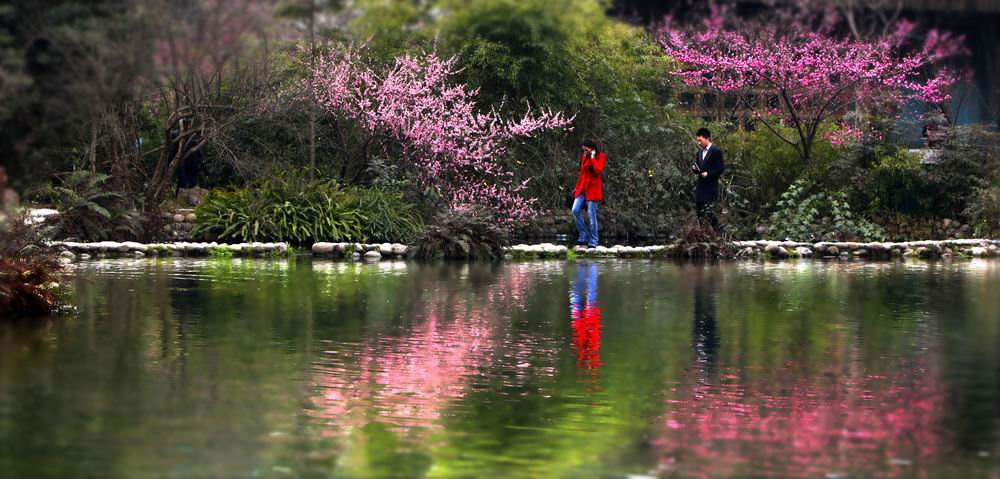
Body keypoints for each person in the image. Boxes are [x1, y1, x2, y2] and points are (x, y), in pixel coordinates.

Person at [571, 139, 606, 248]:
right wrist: (576, 188)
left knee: (591, 215)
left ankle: (594, 240)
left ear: (592, 149)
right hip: (582, 188)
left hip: (593, 189)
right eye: (583, 150)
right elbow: (582, 173)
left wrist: (592, 158)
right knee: (575, 210)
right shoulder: (584, 156)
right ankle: (583, 235)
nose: (584, 151)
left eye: (586, 150)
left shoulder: (601, 156)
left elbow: (598, 170)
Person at [692, 128, 725, 233]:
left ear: (707, 139)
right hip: (701, 184)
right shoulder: (699, 153)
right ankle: (703, 231)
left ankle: (719, 229)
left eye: (700, 140)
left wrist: (709, 173)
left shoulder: (716, 151)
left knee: (707, 209)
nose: (699, 143)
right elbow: (699, 169)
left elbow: (720, 169)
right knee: (699, 208)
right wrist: (695, 169)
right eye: (697, 140)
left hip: (711, 185)